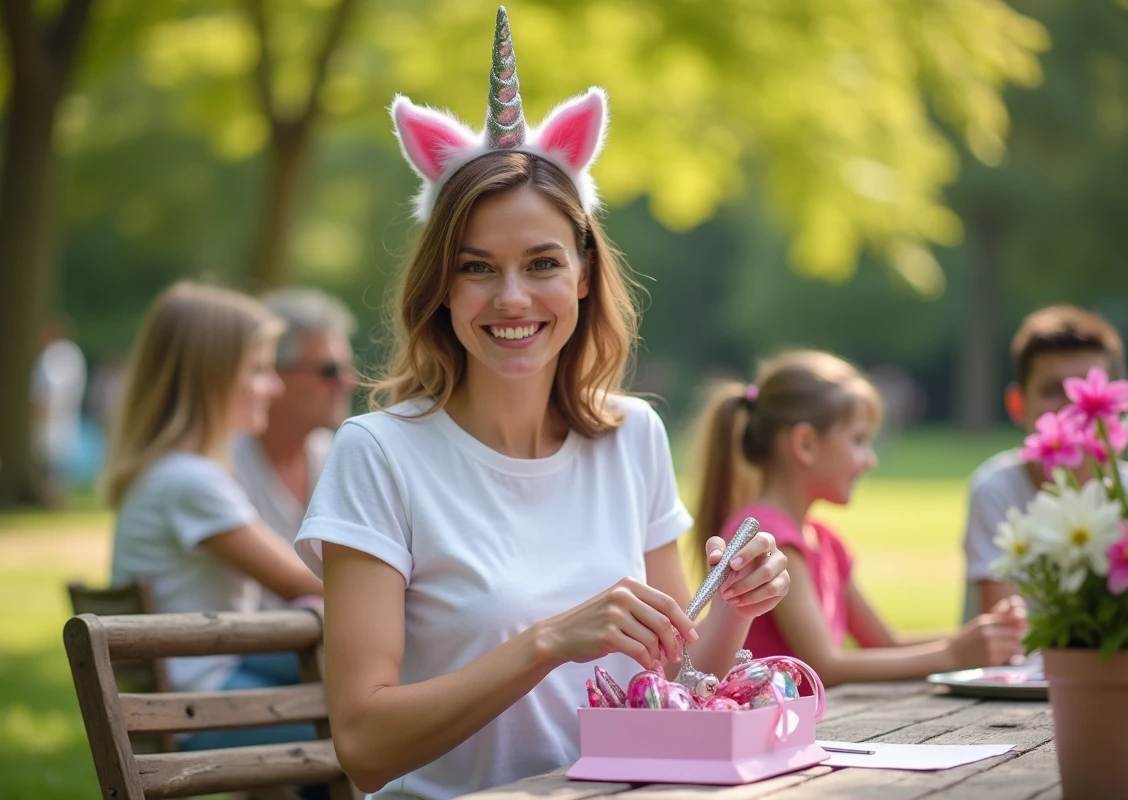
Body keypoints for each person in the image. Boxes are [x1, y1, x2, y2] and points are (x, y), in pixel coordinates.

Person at [291, 9, 791, 799]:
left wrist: (732, 602)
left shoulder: (635, 435)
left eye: (542, 262)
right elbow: (363, 745)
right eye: (478, 267)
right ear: (442, 289)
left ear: (585, 274)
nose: (512, 297)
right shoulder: (377, 453)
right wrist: (548, 643)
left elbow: (678, 683)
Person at [689, 349, 1026, 688]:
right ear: (805, 444)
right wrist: (953, 655)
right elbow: (824, 666)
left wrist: (980, 640)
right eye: (859, 440)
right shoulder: (769, 538)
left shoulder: (824, 540)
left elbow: (884, 644)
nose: (871, 460)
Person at [102, 281, 325, 751]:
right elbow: (302, 580)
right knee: (382, 731)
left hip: (205, 680)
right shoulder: (190, 481)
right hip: (198, 703)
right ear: (214, 378)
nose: (276, 386)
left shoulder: (170, 473)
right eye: (260, 369)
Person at [962, 305, 1125, 620]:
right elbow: (1004, 626)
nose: (1071, 408)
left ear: (1116, 404)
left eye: (1087, 397)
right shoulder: (996, 490)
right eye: (1053, 391)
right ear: (1018, 405)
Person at [231, 288, 358, 610]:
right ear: (274, 372)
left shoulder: (336, 457)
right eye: (330, 371)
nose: (348, 382)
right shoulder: (221, 464)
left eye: (346, 368)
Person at [32, 318, 86, 502]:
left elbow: (48, 392)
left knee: (52, 462)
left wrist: (40, 411)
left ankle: (54, 499)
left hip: (52, 421)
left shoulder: (55, 356)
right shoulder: (71, 355)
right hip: (63, 419)